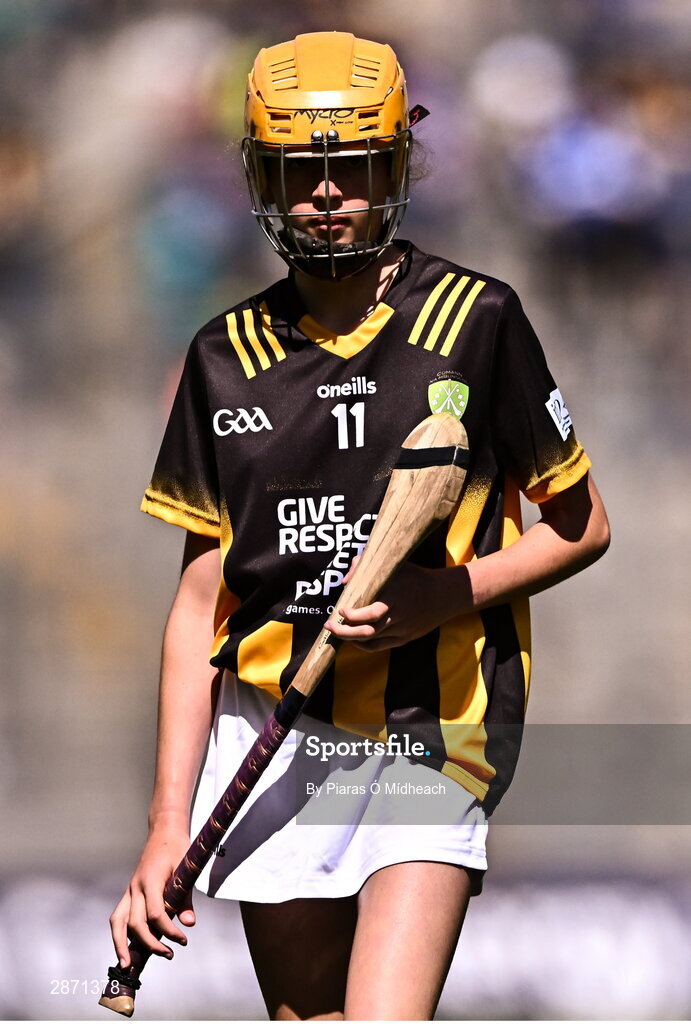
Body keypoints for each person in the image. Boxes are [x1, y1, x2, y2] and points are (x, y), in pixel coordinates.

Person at [109, 31, 610, 1021]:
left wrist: (441, 597)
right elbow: (200, 602)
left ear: (395, 166)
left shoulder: (477, 318)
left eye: (353, 166)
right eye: (303, 172)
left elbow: (580, 525)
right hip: (272, 732)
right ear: (260, 177)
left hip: (434, 729)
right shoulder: (222, 358)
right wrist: (168, 823)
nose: (330, 191)